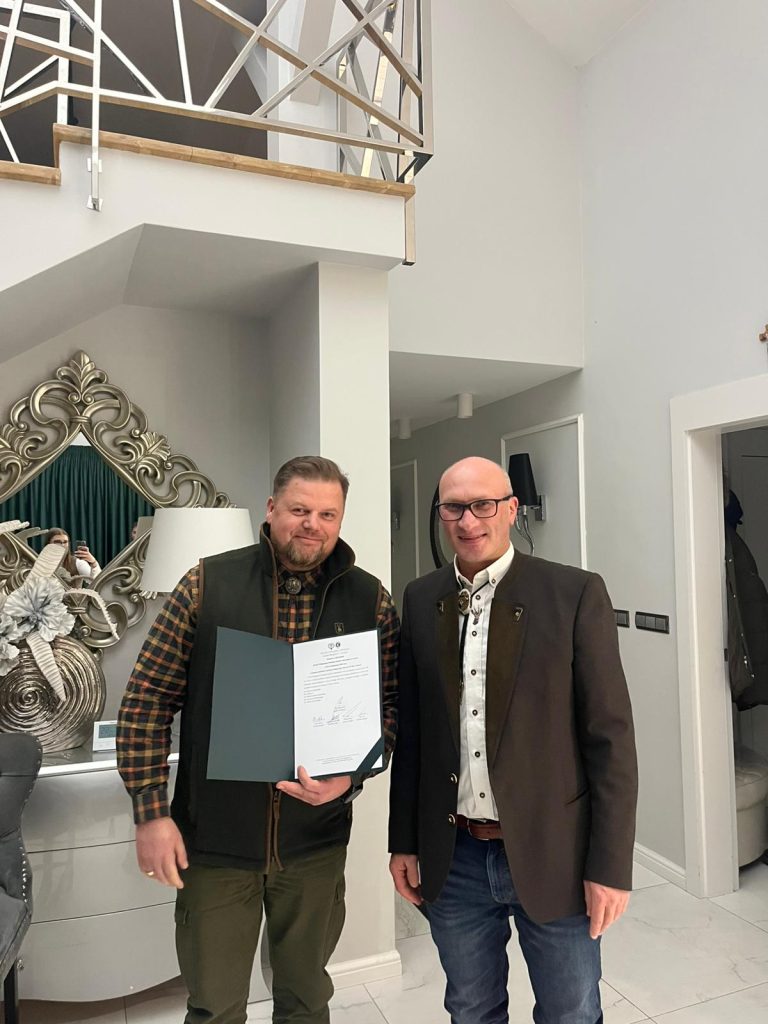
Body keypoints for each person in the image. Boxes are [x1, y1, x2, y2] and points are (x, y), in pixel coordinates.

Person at [116, 456, 399, 1024]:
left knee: (307, 1002)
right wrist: (151, 813)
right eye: (299, 510)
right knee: (215, 1008)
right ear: (271, 510)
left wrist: (353, 776)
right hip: (216, 844)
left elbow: (391, 709)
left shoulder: (369, 599)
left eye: (327, 514)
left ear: (341, 519)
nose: (312, 524)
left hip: (315, 845)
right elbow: (147, 700)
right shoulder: (206, 583)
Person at [388, 456, 637, 1024]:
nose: (468, 520)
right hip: (454, 856)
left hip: (555, 851)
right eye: (453, 507)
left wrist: (610, 865)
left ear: (511, 509)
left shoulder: (573, 592)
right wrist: (403, 840)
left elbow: (611, 740)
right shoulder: (421, 598)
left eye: (483, 505)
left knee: (571, 1011)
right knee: (471, 1009)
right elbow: (415, 733)